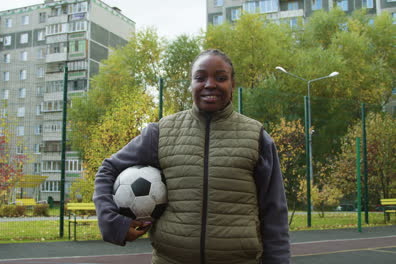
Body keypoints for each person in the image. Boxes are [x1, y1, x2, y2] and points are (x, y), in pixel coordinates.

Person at [93, 49, 290, 264]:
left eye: (221, 78)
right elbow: (108, 169)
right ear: (191, 84)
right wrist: (112, 223)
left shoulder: (257, 137)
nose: (210, 84)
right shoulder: (160, 133)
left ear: (233, 84)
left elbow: (274, 212)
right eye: (200, 77)